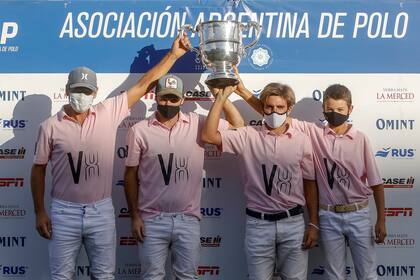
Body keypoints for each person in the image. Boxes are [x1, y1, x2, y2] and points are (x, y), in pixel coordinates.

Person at [30, 34, 194, 279]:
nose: (81, 96)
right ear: (66, 91)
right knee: (61, 276)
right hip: (64, 211)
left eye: (86, 91)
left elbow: (144, 84)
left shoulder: (108, 112)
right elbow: (38, 170)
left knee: (105, 275)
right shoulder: (49, 126)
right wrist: (40, 211)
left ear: (95, 93)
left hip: (101, 210)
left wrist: (173, 55)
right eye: (76, 90)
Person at [235, 76, 386, 279]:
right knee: (334, 274)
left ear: (350, 110)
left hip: (359, 213)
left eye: (340, 110)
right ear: (323, 109)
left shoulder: (361, 139)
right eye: (330, 109)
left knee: (368, 274)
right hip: (328, 215)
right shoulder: (313, 133)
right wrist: (243, 92)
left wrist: (382, 220)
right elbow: (275, 114)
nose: (334, 114)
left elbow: (376, 183)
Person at [123, 59, 244, 279]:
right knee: (151, 276)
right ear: (155, 98)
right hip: (151, 219)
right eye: (163, 98)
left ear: (182, 99)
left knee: (187, 277)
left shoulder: (197, 123)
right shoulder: (139, 131)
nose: (168, 103)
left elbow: (238, 127)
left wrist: (221, 98)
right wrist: (134, 216)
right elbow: (130, 175)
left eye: (173, 98)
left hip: (187, 219)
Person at [201, 84, 319, 280]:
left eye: (280, 108)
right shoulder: (247, 135)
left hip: (293, 223)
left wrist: (313, 222)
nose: (274, 112)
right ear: (262, 108)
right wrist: (220, 99)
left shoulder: (302, 140)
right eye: (269, 107)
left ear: (289, 109)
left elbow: (309, 183)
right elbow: (208, 136)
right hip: (258, 224)